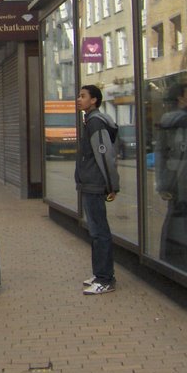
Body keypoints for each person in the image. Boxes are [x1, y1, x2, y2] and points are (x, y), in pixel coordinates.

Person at [76, 84, 120, 295]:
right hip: (89, 184)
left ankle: (105, 278)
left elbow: (105, 157)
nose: (79, 99)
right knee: (95, 231)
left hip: (95, 185)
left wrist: (112, 186)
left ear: (94, 100)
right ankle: (100, 273)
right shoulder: (90, 121)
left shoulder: (95, 123)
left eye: (83, 96)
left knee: (100, 232)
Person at [156, 82, 187, 274]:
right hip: (185, 181)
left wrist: (163, 182)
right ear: (181, 99)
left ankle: (170, 258)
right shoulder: (184, 122)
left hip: (174, 180)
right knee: (184, 221)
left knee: (174, 218)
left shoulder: (167, 120)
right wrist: (173, 182)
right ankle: (182, 264)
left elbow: (162, 154)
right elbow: (181, 154)